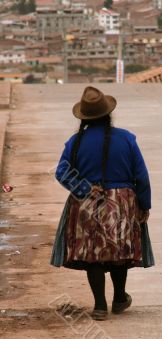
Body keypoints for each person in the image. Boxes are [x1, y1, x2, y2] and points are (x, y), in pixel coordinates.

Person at [51, 86, 152, 320]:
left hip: (86, 203)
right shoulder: (127, 139)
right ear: (108, 114)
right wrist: (144, 205)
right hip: (122, 202)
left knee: (92, 253)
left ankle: (99, 306)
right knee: (118, 251)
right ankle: (119, 298)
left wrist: (84, 189)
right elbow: (141, 176)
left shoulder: (74, 142)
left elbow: (61, 172)